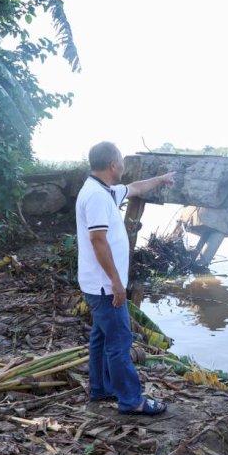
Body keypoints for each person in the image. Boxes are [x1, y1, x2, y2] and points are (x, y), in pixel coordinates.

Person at [76, 141, 174, 415]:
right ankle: (132, 401)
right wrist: (117, 283)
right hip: (105, 286)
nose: (124, 165)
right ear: (112, 165)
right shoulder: (96, 196)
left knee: (101, 338)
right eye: (121, 161)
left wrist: (161, 179)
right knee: (119, 342)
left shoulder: (105, 190)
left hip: (98, 284)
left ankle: (100, 389)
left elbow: (135, 188)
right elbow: (98, 241)